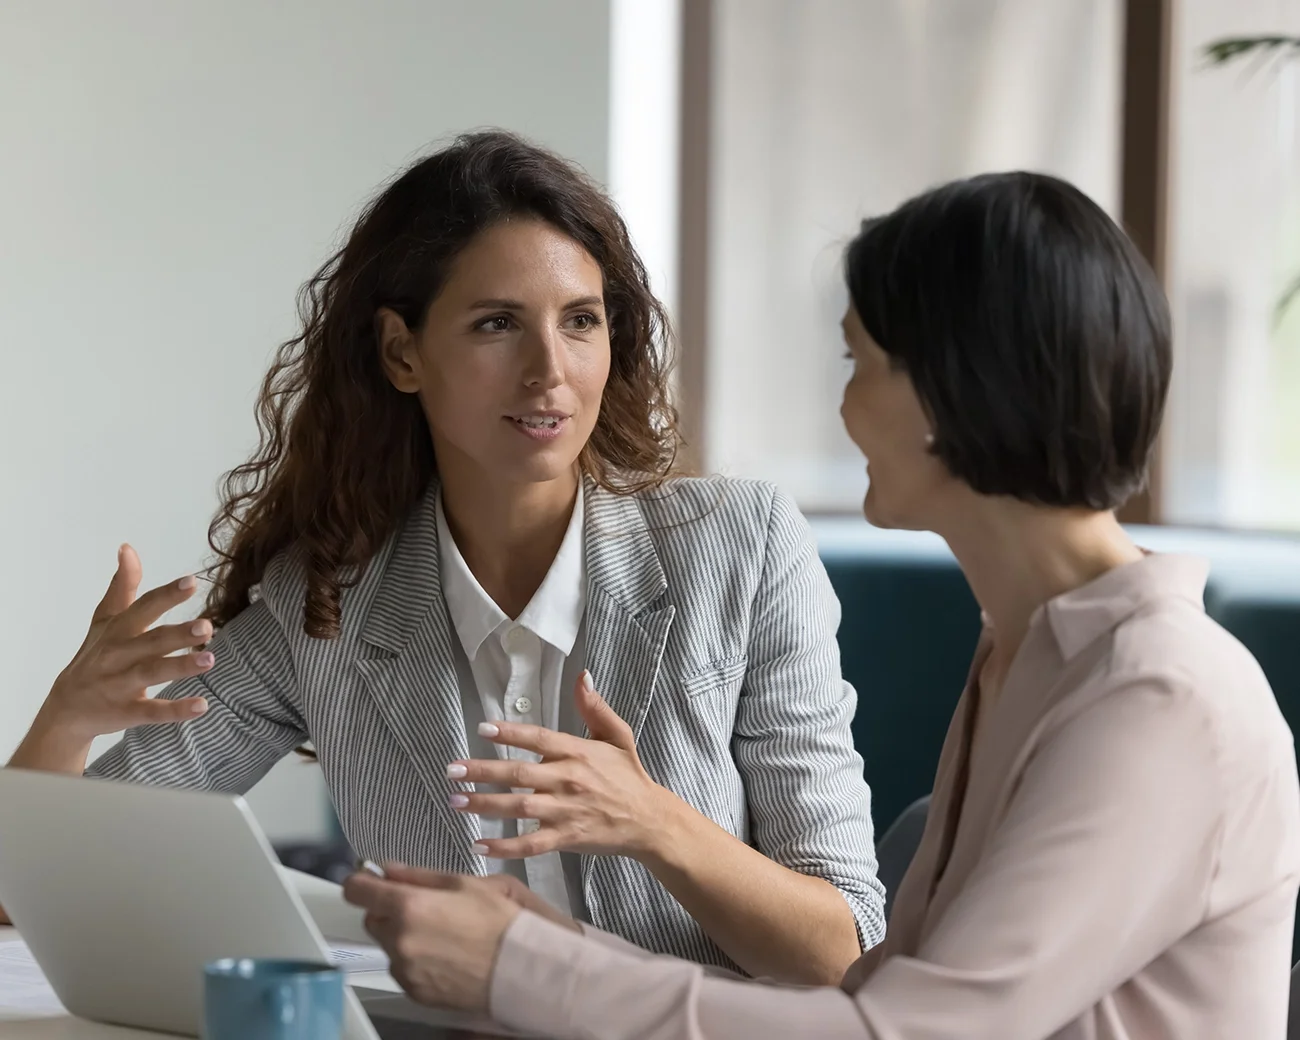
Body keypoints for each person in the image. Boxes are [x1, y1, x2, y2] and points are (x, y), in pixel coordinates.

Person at [342, 171, 1300, 1039]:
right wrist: (541, 942)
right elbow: (869, 995)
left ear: (948, 394)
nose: (843, 412)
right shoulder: (1026, 654)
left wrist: (523, 968)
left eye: (858, 366)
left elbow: (903, 1032)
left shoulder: (1159, 696)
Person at [6, 130, 885, 983]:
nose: (550, 369)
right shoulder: (323, 605)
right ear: (401, 353)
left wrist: (651, 821)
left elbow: (841, 952)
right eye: (498, 323)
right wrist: (67, 722)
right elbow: (33, 890)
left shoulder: (740, 546)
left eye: (581, 321)